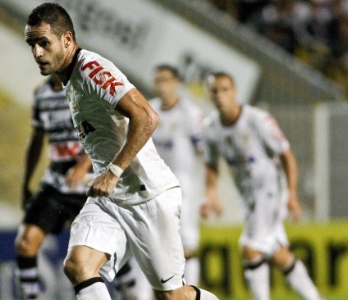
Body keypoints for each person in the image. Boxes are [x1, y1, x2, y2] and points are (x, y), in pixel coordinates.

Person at [23, 3, 218, 300]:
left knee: (173, 296)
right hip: (110, 199)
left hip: (147, 195)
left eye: (43, 43)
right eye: (32, 44)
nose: (37, 53)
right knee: (78, 265)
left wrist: (113, 171)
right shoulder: (70, 79)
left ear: (67, 39)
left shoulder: (91, 69)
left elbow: (147, 117)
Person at [14, 74, 141, 299]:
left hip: (89, 182)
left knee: (106, 250)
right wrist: (26, 183)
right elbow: (36, 139)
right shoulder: (41, 94)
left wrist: (83, 164)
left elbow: (105, 127)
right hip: (56, 183)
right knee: (25, 242)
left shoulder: (82, 89)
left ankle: (130, 292)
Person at [201, 72, 323, 300]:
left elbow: (287, 156)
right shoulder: (210, 128)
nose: (220, 95)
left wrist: (292, 195)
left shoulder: (258, 120)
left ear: (235, 92)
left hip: (271, 190)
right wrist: (211, 194)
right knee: (278, 254)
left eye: (225, 89)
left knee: (249, 247)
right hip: (248, 197)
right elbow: (211, 164)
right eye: (215, 91)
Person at [148, 64, 204, 286]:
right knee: (154, 244)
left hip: (184, 188)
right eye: (157, 80)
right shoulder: (149, 110)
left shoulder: (191, 114)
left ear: (176, 84)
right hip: (154, 188)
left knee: (186, 242)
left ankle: (190, 292)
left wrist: (210, 189)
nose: (161, 86)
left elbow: (205, 152)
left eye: (165, 80)